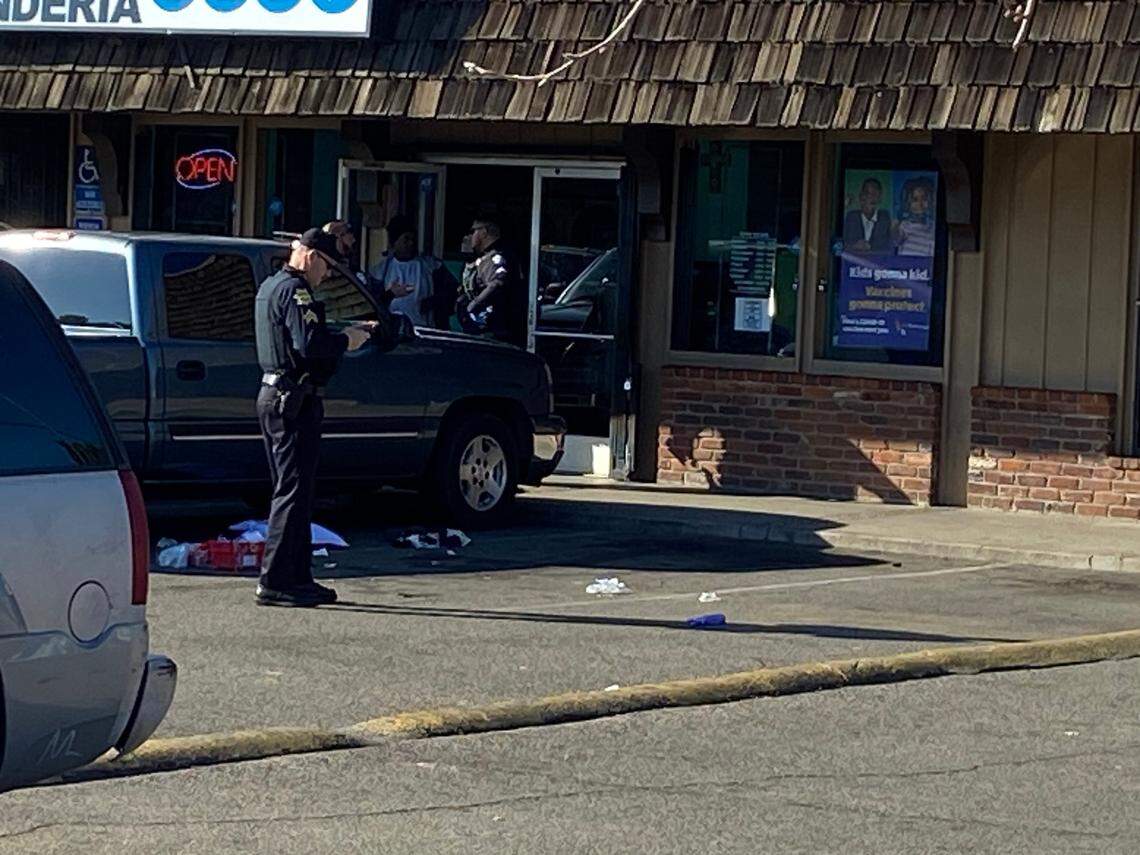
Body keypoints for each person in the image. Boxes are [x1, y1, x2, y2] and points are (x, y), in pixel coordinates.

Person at [254, 228, 374, 607]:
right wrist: (348, 340)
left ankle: (297, 577)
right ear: (309, 256)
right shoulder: (295, 291)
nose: (328, 274)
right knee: (291, 493)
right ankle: (275, 580)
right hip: (291, 399)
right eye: (327, 265)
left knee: (296, 492)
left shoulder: (272, 286)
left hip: (280, 395)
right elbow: (310, 345)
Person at [370, 215, 459, 329]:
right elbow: (374, 304)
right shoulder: (380, 272)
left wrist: (433, 303)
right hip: (393, 334)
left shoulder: (432, 267)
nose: (411, 243)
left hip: (427, 331)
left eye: (413, 239)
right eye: (406, 239)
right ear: (394, 242)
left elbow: (453, 293)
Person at [457, 218, 520, 343]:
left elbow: (495, 285)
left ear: (484, 232)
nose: (469, 236)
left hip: (492, 332)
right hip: (479, 328)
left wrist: (472, 306)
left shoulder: (497, 257)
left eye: (473, 231)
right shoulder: (481, 257)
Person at [843, 178, 891, 253]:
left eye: (875, 195)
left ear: (879, 199)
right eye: (868, 194)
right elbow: (840, 244)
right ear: (861, 196)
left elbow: (888, 247)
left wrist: (871, 247)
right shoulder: (851, 217)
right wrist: (854, 246)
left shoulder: (884, 218)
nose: (872, 198)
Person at [894, 177, 936, 257]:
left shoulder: (933, 226)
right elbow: (895, 237)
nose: (920, 204)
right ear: (907, 203)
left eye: (924, 199)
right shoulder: (904, 226)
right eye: (915, 200)